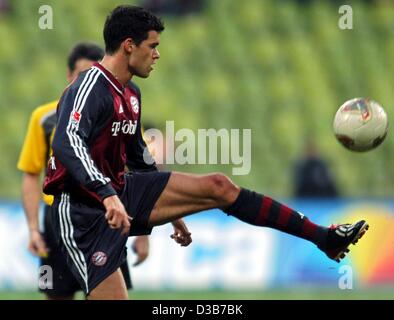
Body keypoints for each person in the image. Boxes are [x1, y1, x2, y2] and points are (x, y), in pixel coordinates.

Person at [43, 5, 369, 300]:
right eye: (152, 46)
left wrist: (173, 210)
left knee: (219, 186)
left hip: (121, 193)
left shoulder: (130, 93)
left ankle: (324, 237)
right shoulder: (90, 87)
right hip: (82, 212)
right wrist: (105, 194)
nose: (157, 55)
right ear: (129, 45)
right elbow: (67, 140)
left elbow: (138, 157)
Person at [17, 42, 149, 300]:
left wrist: (143, 233)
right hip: (58, 221)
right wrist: (34, 228)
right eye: (81, 75)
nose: (88, 82)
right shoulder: (44, 118)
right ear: (69, 76)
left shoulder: (120, 110)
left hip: (109, 217)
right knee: (55, 295)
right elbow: (32, 174)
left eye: (94, 74)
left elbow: (139, 169)